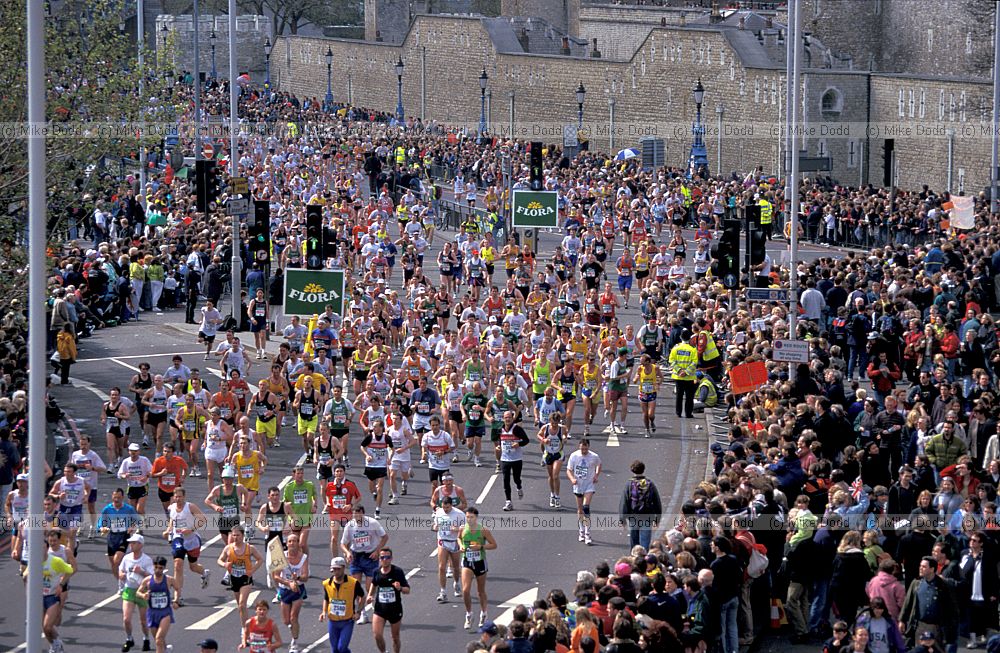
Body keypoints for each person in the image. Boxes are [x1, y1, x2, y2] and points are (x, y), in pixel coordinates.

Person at [341, 505, 389, 624]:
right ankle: (363, 613)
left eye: (358, 513)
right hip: (356, 557)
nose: (356, 516)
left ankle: (377, 605)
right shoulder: (350, 526)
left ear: (363, 513)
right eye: (354, 514)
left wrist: (377, 551)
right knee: (356, 587)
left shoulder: (372, 523)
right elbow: (343, 543)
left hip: (370, 556)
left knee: (369, 587)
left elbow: (384, 537)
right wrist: (347, 553)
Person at [163, 487, 211, 604]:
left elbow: (203, 520)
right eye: (176, 496)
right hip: (178, 538)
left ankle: (204, 573)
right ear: (173, 497)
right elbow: (172, 521)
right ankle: (178, 596)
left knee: (193, 567)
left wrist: (191, 529)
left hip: (192, 540)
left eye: (180, 496)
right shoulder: (171, 507)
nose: (178, 499)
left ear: (184, 497)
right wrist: (168, 530)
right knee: (178, 565)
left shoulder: (190, 507)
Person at [218, 524, 265, 636]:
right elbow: (219, 560)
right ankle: (246, 625)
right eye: (233, 535)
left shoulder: (249, 548)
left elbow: (260, 559)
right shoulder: (228, 548)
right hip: (234, 578)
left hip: (245, 578)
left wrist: (252, 570)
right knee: (240, 606)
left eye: (238, 535)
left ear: (243, 535)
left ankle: (245, 630)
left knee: (242, 604)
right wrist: (225, 564)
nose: (235, 537)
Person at [459, 506, 497, 630]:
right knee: (465, 590)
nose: (469, 520)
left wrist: (481, 547)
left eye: (471, 517)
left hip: (480, 562)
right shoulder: (462, 529)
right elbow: (459, 538)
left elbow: (494, 545)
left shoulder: (483, 530)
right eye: (467, 517)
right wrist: (461, 547)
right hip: (467, 562)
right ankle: (469, 614)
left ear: (476, 518)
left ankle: (484, 613)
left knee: (480, 591)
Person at [367, 547, 411, 653]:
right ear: (379, 559)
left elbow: (407, 590)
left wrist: (400, 588)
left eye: (387, 557)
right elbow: (374, 583)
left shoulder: (397, 572)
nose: (385, 559)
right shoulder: (376, 572)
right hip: (380, 610)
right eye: (382, 557)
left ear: (391, 558)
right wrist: (369, 595)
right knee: (377, 635)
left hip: (395, 610)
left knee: (395, 637)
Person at [272, 532, 309, 652]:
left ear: (298, 544)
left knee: (294, 617)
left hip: (298, 590)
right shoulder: (281, 557)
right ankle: (293, 628)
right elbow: (276, 576)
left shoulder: (303, 558)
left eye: (295, 541)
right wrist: (288, 583)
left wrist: (297, 578)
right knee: (286, 620)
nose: (292, 543)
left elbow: (305, 576)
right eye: (290, 541)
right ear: (286, 544)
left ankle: (294, 642)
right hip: (285, 589)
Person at [321, 556, 365, 653]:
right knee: (335, 650)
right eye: (334, 569)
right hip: (332, 622)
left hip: (347, 622)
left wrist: (358, 612)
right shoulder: (327, 583)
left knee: (342, 648)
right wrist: (324, 612)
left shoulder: (353, 583)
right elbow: (326, 598)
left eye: (338, 569)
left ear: (343, 568)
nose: (336, 571)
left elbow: (362, 596)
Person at [136, 556, 180, 653]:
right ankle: (166, 650)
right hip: (152, 613)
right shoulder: (147, 580)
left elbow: (177, 588)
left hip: (165, 612)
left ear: (164, 568)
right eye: (155, 567)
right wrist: (143, 595)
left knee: (159, 639)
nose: (157, 570)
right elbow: (138, 592)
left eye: (160, 568)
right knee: (157, 639)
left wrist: (176, 600)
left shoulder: (169, 580)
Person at [118, 533, 154, 653]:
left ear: (140, 545)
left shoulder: (146, 560)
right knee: (126, 619)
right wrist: (121, 575)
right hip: (129, 590)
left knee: (143, 621)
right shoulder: (127, 558)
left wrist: (142, 572)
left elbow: (152, 577)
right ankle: (129, 639)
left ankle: (146, 638)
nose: (131, 545)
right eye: (130, 543)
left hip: (141, 591)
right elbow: (121, 570)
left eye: (133, 543)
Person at [98, 487, 142, 578]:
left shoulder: (128, 509)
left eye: (118, 497)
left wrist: (132, 527)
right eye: (115, 497)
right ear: (112, 497)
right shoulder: (107, 509)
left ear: (122, 497)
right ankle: (121, 585)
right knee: (114, 565)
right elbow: (101, 522)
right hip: (112, 537)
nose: (116, 500)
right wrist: (102, 528)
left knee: (116, 561)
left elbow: (138, 520)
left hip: (123, 536)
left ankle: (125, 578)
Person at [619, 460, 662, 550]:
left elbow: (624, 502)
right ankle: (643, 560)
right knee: (645, 543)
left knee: (634, 541)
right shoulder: (650, 483)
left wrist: (622, 519)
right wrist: (657, 519)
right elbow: (657, 502)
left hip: (634, 516)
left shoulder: (629, 484)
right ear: (643, 470)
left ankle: (634, 559)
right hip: (647, 517)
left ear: (632, 470)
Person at [566, 438, 602, 545]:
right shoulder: (574, 456)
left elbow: (599, 464)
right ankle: (581, 530)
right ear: (579, 447)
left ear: (588, 447)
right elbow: (569, 470)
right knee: (580, 509)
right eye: (582, 449)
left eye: (585, 449)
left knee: (586, 507)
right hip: (578, 485)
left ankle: (587, 532)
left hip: (589, 485)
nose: (584, 451)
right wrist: (572, 479)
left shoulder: (594, 456)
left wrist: (596, 475)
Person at [433, 496, 466, 603]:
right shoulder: (439, 513)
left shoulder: (459, 514)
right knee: (442, 567)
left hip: (454, 542)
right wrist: (435, 527)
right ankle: (443, 592)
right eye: (443, 507)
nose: (445, 509)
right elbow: (435, 525)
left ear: (451, 505)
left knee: (456, 568)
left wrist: (456, 529)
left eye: (447, 507)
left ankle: (456, 583)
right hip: (443, 540)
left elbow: (466, 529)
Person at [497, 410, 530, 511]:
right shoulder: (500, 429)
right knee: (506, 480)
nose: (507, 419)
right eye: (505, 417)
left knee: (516, 478)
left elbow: (526, 440)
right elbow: (500, 439)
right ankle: (508, 502)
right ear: (503, 418)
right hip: (505, 459)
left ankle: (519, 487)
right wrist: (499, 446)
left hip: (516, 458)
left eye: (509, 417)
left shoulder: (517, 429)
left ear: (512, 418)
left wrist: (518, 444)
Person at [283, 465, 317, 553]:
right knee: (296, 544)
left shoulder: (309, 485)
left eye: (302, 473)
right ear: (293, 475)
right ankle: (299, 563)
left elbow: (314, 496)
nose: (300, 475)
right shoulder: (289, 487)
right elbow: (285, 503)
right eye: (298, 473)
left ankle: (306, 562)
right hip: (294, 519)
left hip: (306, 518)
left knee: (302, 543)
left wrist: (314, 505)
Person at [537, 412, 566, 509]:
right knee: (550, 476)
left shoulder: (562, 428)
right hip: (548, 454)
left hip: (558, 454)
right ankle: (552, 494)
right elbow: (538, 435)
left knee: (555, 475)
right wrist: (543, 440)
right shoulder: (545, 428)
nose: (554, 425)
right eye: (552, 423)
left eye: (556, 423)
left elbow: (565, 436)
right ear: (550, 421)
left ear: (558, 422)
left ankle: (557, 497)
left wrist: (564, 438)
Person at [668, 330, 698, 419]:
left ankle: (678, 412)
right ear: (689, 338)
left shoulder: (676, 348)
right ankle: (688, 413)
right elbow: (694, 363)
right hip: (689, 377)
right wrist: (686, 372)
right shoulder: (692, 349)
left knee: (679, 395)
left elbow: (671, 360)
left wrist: (679, 371)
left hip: (678, 376)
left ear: (680, 337)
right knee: (689, 396)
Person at [631, 353, 661, 438]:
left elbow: (661, 377)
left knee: (650, 414)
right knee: (645, 414)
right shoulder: (640, 368)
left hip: (652, 392)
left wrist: (658, 383)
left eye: (642, 361)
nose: (641, 363)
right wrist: (637, 377)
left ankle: (652, 422)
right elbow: (634, 380)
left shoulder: (655, 368)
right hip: (643, 393)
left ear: (648, 361)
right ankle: (647, 430)